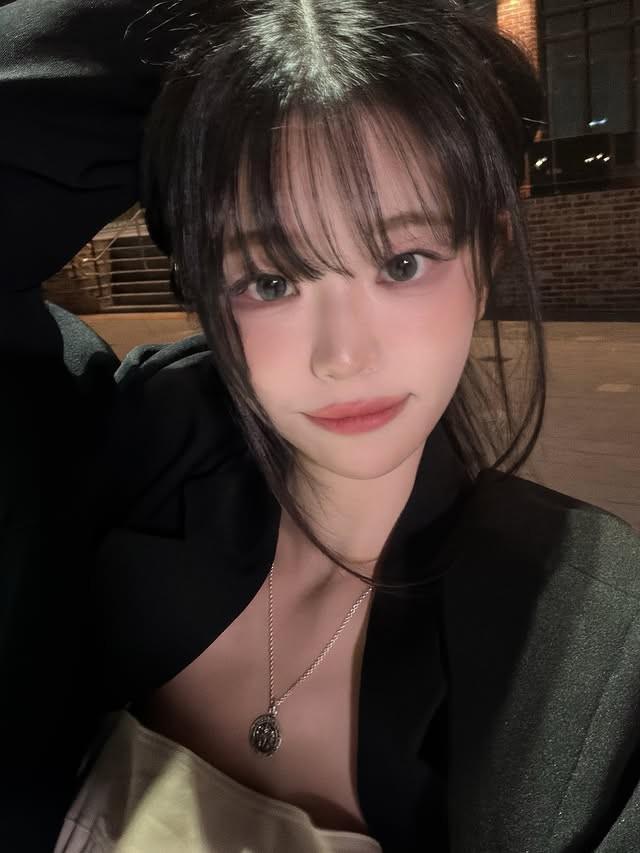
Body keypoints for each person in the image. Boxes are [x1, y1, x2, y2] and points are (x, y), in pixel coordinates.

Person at [2, 1, 639, 852]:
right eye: (271, 281)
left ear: (486, 258)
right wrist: (260, 41)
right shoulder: (139, 443)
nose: (343, 356)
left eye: (402, 263)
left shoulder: (589, 635)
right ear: (206, 286)